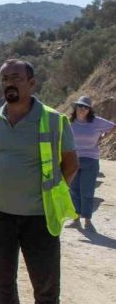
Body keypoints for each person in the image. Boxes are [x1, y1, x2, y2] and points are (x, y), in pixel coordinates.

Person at [0, 59, 79, 304]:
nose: (9, 84)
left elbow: (71, 164)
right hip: (0, 215)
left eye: (16, 78)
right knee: (1, 282)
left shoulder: (54, 120)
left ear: (32, 83)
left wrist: (52, 192)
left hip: (40, 216)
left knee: (45, 286)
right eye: (4, 79)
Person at [69, 95, 116, 230]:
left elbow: (113, 127)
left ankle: (88, 221)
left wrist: (102, 138)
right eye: (80, 106)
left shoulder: (96, 121)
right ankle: (75, 219)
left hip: (91, 160)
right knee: (74, 190)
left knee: (87, 191)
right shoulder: (68, 122)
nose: (82, 109)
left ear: (89, 110)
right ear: (76, 107)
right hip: (73, 160)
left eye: (86, 107)